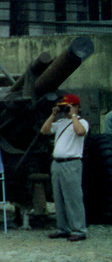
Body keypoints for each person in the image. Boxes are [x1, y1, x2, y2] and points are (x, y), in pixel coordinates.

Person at [40, 93, 88, 242]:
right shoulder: (60, 122)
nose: (66, 109)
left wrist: (73, 116)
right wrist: (53, 115)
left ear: (76, 107)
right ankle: (63, 228)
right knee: (59, 198)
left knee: (73, 197)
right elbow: (44, 130)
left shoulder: (82, 122)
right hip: (57, 163)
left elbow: (80, 132)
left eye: (69, 106)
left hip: (71, 162)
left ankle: (79, 229)